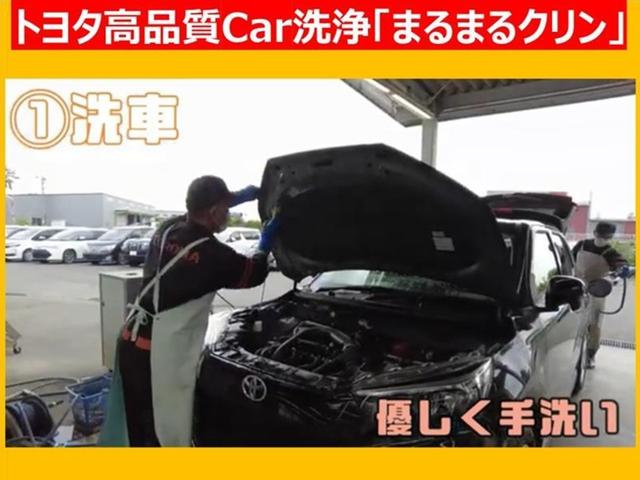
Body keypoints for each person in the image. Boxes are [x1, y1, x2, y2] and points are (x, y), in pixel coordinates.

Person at [100, 176, 278, 446]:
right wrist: (265, 243)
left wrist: (235, 197)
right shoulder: (213, 255)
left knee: (137, 426)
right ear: (214, 211)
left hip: (131, 342)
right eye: (226, 208)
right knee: (162, 430)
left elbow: (194, 215)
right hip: (159, 357)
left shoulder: (167, 228)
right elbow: (253, 273)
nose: (228, 214)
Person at [572, 221, 628, 369]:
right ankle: (572, 350)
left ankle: (590, 355)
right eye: (600, 234)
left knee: (594, 325)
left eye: (606, 236)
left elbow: (621, 264)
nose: (602, 238)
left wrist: (623, 270)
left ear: (611, 237)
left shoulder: (611, 253)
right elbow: (568, 258)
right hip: (576, 287)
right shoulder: (582, 245)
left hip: (596, 291)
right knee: (573, 320)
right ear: (595, 233)